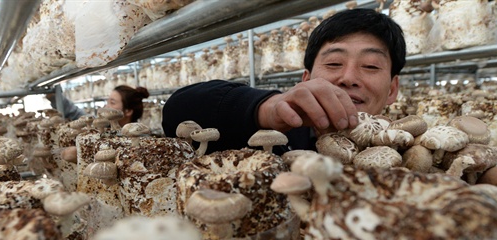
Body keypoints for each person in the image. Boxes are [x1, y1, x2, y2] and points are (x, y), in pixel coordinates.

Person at [161, 8, 406, 155]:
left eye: (371, 66)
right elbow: (177, 112)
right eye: (333, 64)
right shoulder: (277, 143)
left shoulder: (409, 152)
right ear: (306, 79)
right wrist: (266, 109)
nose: (349, 78)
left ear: (392, 89)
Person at [47, 85, 149, 126]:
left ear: (128, 111)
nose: (106, 106)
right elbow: (77, 114)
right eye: (107, 102)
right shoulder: (103, 126)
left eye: (112, 103)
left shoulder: (140, 137)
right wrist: (54, 97)